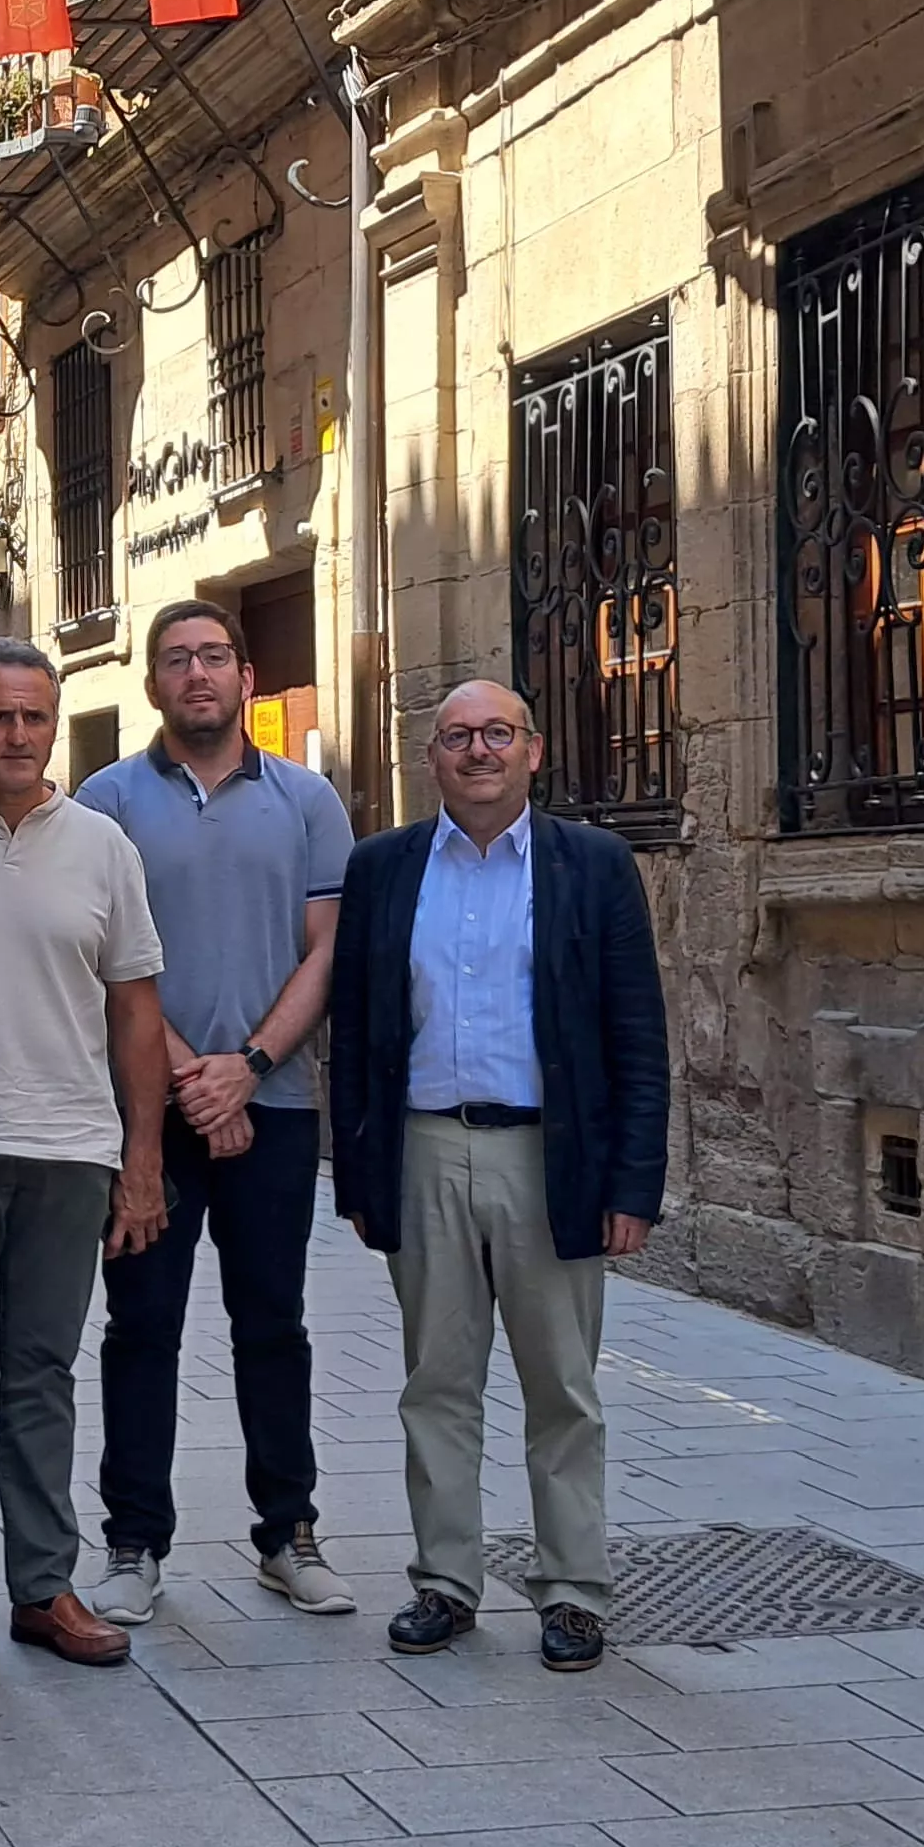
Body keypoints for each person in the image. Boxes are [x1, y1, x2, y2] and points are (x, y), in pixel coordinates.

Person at [329, 681, 671, 1673]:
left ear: (533, 749)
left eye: (497, 734)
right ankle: (444, 1580)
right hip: (425, 1147)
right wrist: (358, 1172)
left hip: (550, 1154)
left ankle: (572, 1589)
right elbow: (357, 1030)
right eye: (457, 738)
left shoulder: (593, 866)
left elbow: (636, 1036)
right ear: (429, 759)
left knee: (562, 1385)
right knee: (435, 1381)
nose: (478, 751)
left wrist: (632, 1184)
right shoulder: (385, 868)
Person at [73, 600, 355, 1623]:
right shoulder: (102, 802)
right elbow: (103, 963)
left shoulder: (309, 801)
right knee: (140, 1326)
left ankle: (290, 1533)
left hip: (275, 1107)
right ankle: (133, 1545)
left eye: (214, 656)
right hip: (147, 1114)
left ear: (244, 676)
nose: (197, 673)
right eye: (177, 659)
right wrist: (195, 1077)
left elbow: (327, 948)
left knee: (272, 1323)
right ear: (151, 684)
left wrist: (248, 1066)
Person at [0, 643, 164, 1671]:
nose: (19, 735)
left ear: (55, 727)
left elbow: (137, 1011)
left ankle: (44, 1586)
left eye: (35, 719)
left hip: (69, 1149)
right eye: (0, 717)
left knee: (42, 1373)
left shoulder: (102, 846)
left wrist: (141, 1159)